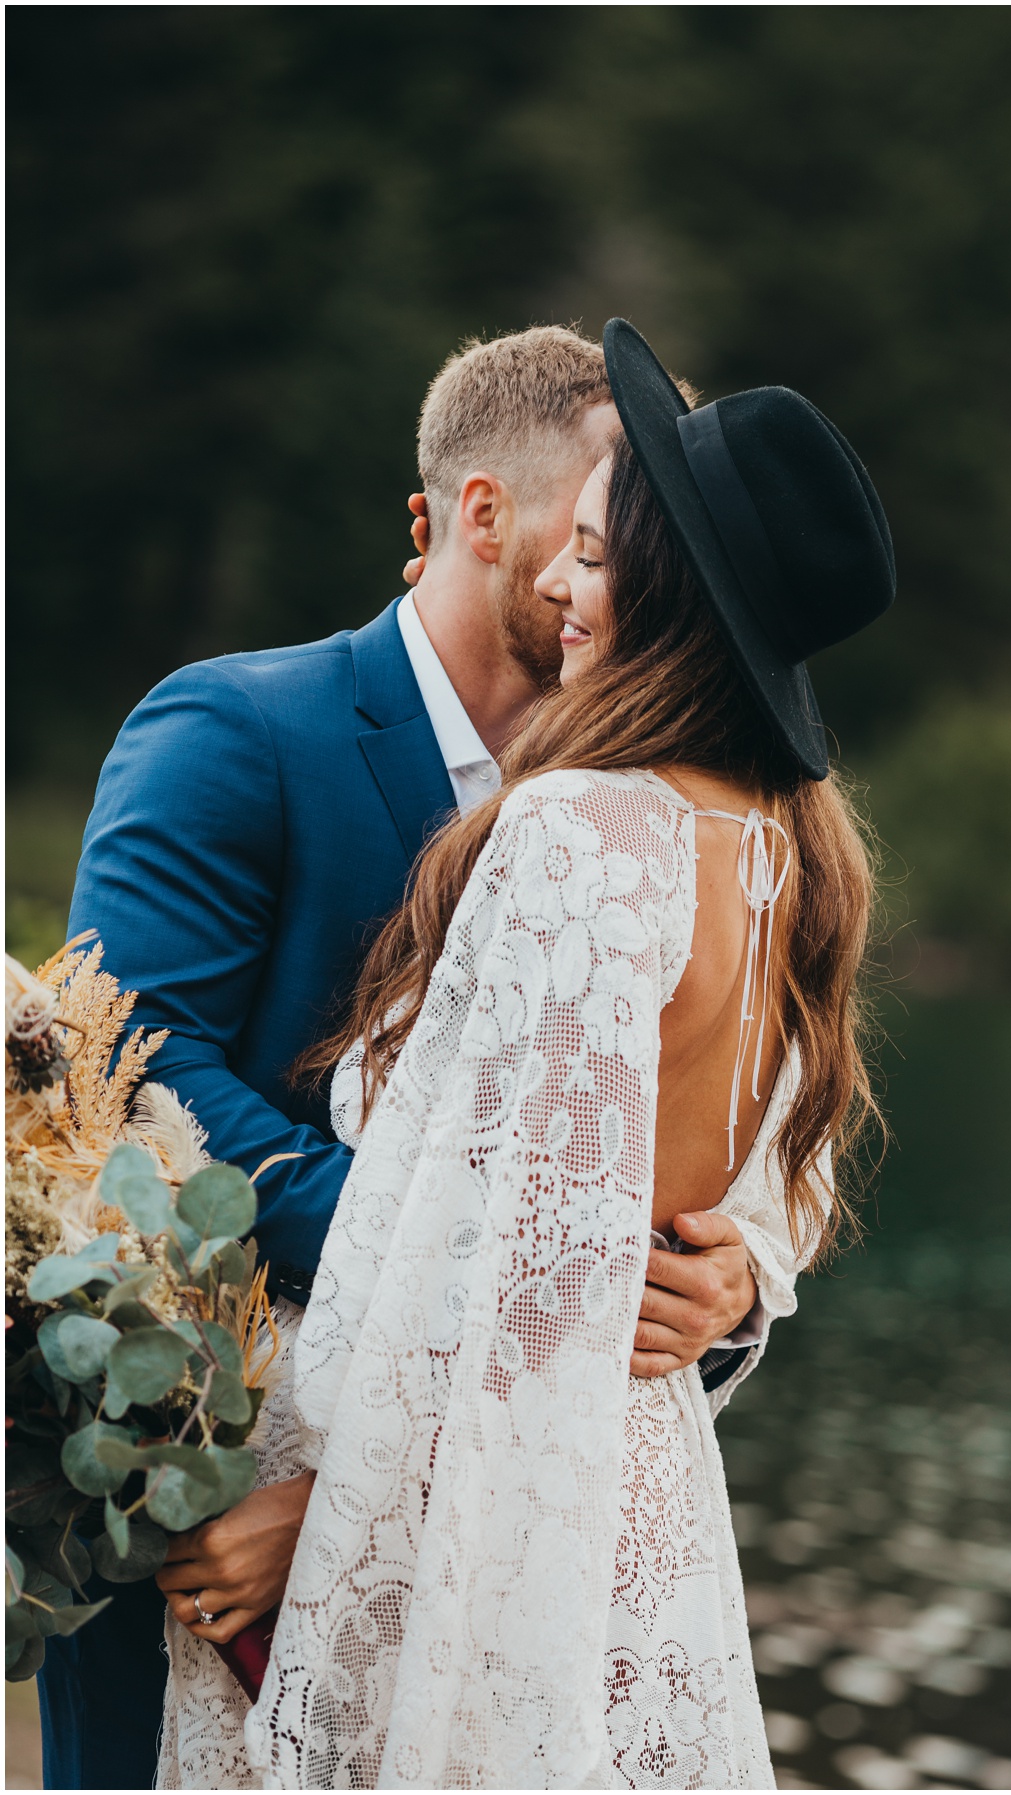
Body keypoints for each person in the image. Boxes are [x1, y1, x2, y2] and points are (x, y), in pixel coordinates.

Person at [169, 318, 895, 1789]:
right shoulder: (798, 863)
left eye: (604, 556)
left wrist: (327, 1507)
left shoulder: (581, 835)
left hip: (465, 1525)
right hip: (632, 1505)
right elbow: (744, 1190)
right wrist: (743, 1258)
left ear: (673, 593)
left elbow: (482, 1276)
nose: (564, 582)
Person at [42, 327, 763, 1791]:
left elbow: (659, 1143)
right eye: (604, 527)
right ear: (486, 517)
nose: (605, 574)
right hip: (214, 1507)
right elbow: (134, 1071)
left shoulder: (637, 815)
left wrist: (717, 1284)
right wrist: (490, 1273)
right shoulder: (232, 730)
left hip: (485, 1574)